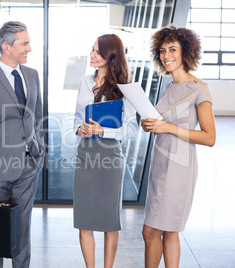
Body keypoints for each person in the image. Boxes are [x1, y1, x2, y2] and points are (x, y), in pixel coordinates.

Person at [0, 21, 45, 268]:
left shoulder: (32, 75)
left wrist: (39, 152)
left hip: (28, 167)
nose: (29, 48)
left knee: (23, 231)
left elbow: (38, 116)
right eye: (24, 43)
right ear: (6, 47)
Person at [141, 25, 216, 268]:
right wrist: (151, 124)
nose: (166, 56)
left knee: (151, 232)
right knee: (170, 232)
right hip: (161, 164)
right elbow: (163, 122)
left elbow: (209, 137)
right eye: (162, 51)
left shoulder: (199, 89)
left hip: (179, 168)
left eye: (172, 49)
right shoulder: (168, 87)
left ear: (187, 52)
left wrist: (168, 128)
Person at [73, 34, 138, 268]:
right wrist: (79, 128)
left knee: (110, 222)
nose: (92, 55)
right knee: (84, 220)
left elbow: (132, 129)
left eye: (98, 52)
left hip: (110, 157)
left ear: (111, 57)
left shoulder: (125, 88)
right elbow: (77, 118)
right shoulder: (84, 82)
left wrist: (103, 131)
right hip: (85, 155)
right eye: (92, 50)